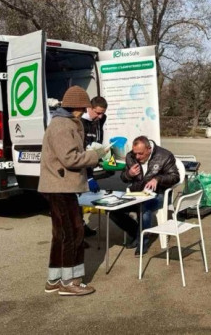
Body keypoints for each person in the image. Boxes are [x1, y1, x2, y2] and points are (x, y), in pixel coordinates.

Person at [39, 86, 108, 296]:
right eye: (84, 106)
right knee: (73, 233)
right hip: (60, 186)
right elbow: (69, 158)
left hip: (61, 186)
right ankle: (69, 282)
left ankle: (55, 280)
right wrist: (95, 156)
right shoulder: (62, 125)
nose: (85, 110)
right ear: (76, 106)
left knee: (61, 234)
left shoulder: (65, 122)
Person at [113, 136, 180, 256]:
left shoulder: (165, 156)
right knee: (113, 210)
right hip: (137, 193)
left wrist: (158, 179)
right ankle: (136, 232)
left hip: (159, 194)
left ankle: (142, 242)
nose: (137, 157)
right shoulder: (131, 156)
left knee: (144, 207)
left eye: (140, 154)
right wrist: (129, 174)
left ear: (149, 149)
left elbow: (175, 177)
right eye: (135, 153)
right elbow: (123, 178)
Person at [80, 96, 108, 238]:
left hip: (90, 163)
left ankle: (81, 227)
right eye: (97, 113)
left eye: (102, 113)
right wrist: (89, 177)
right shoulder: (80, 123)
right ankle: (78, 231)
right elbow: (80, 154)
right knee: (76, 199)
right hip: (79, 167)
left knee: (81, 198)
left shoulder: (99, 120)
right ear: (89, 108)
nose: (100, 116)